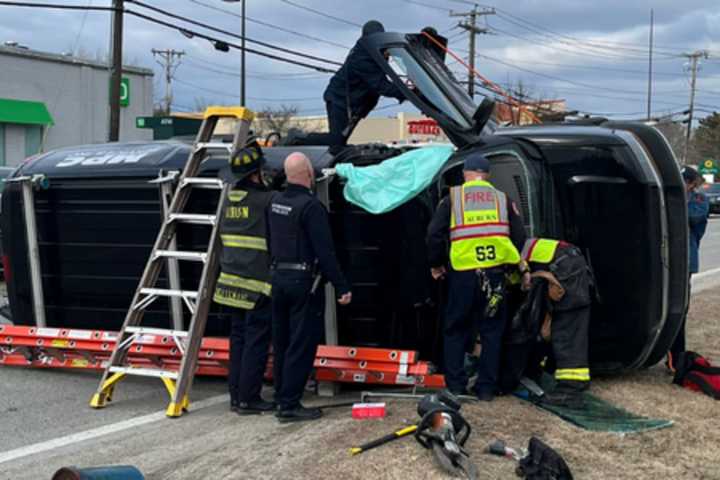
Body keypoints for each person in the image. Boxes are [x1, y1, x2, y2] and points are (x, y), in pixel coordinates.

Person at [426, 153, 529, 401]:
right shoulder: (502, 199)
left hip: (462, 275)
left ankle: (456, 387)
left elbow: (433, 235)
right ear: (487, 175)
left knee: (455, 329)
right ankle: (485, 389)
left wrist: (436, 264)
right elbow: (519, 237)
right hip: (494, 277)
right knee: (492, 331)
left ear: (465, 174)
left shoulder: (453, 198)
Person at [267, 152, 352, 422]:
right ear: (307, 174)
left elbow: (269, 241)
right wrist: (342, 286)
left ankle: (282, 396)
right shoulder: (311, 207)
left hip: (278, 278)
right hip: (303, 283)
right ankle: (290, 404)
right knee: (301, 344)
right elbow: (325, 252)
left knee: (282, 342)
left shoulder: (275, 202)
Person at [213, 144, 275, 415]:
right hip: (256, 286)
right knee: (255, 343)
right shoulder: (266, 201)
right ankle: (250, 398)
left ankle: (237, 396)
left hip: (229, 285)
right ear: (254, 175)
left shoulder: (228, 201)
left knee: (237, 341)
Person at [289, 20, 405, 151]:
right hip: (339, 100)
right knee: (337, 144)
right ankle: (297, 139)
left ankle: (301, 140)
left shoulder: (375, 52)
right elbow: (380, 85)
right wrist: (406, 93)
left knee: (341, 141)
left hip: (354, 105)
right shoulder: (362, 58)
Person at [518, 238, 594, 405]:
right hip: (573, 265)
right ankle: (577, 384)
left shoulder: (512, 255)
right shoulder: (525, 245)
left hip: (564, 269)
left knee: (565, 331)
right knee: (573, 327)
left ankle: (569, 390)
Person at [668, 167, 709, 370]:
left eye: (684, 180)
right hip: (666, 259)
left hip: (685, 260)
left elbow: (691, 218)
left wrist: (679, 199)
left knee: (679, 308)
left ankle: (676, 356)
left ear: (692, 183)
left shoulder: (699, 201)